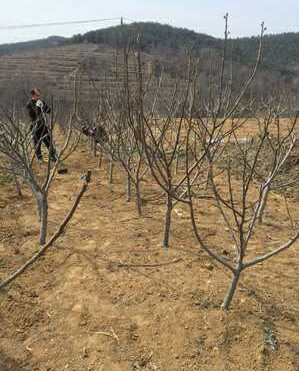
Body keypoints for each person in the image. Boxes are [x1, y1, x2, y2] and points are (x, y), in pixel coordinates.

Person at [26, 89, 57, 163]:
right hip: (35, 126)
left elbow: (48, 110)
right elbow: (33, 115)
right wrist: (37, 107)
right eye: (37, 95)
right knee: (37, 143)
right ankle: (39, 158)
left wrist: (45, 107)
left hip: (43, 125)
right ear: (33, 95)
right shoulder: (29, 104)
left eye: (39, 95)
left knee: (48, 141)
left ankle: (53, 156)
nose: (39, 96)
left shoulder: (41, 102)